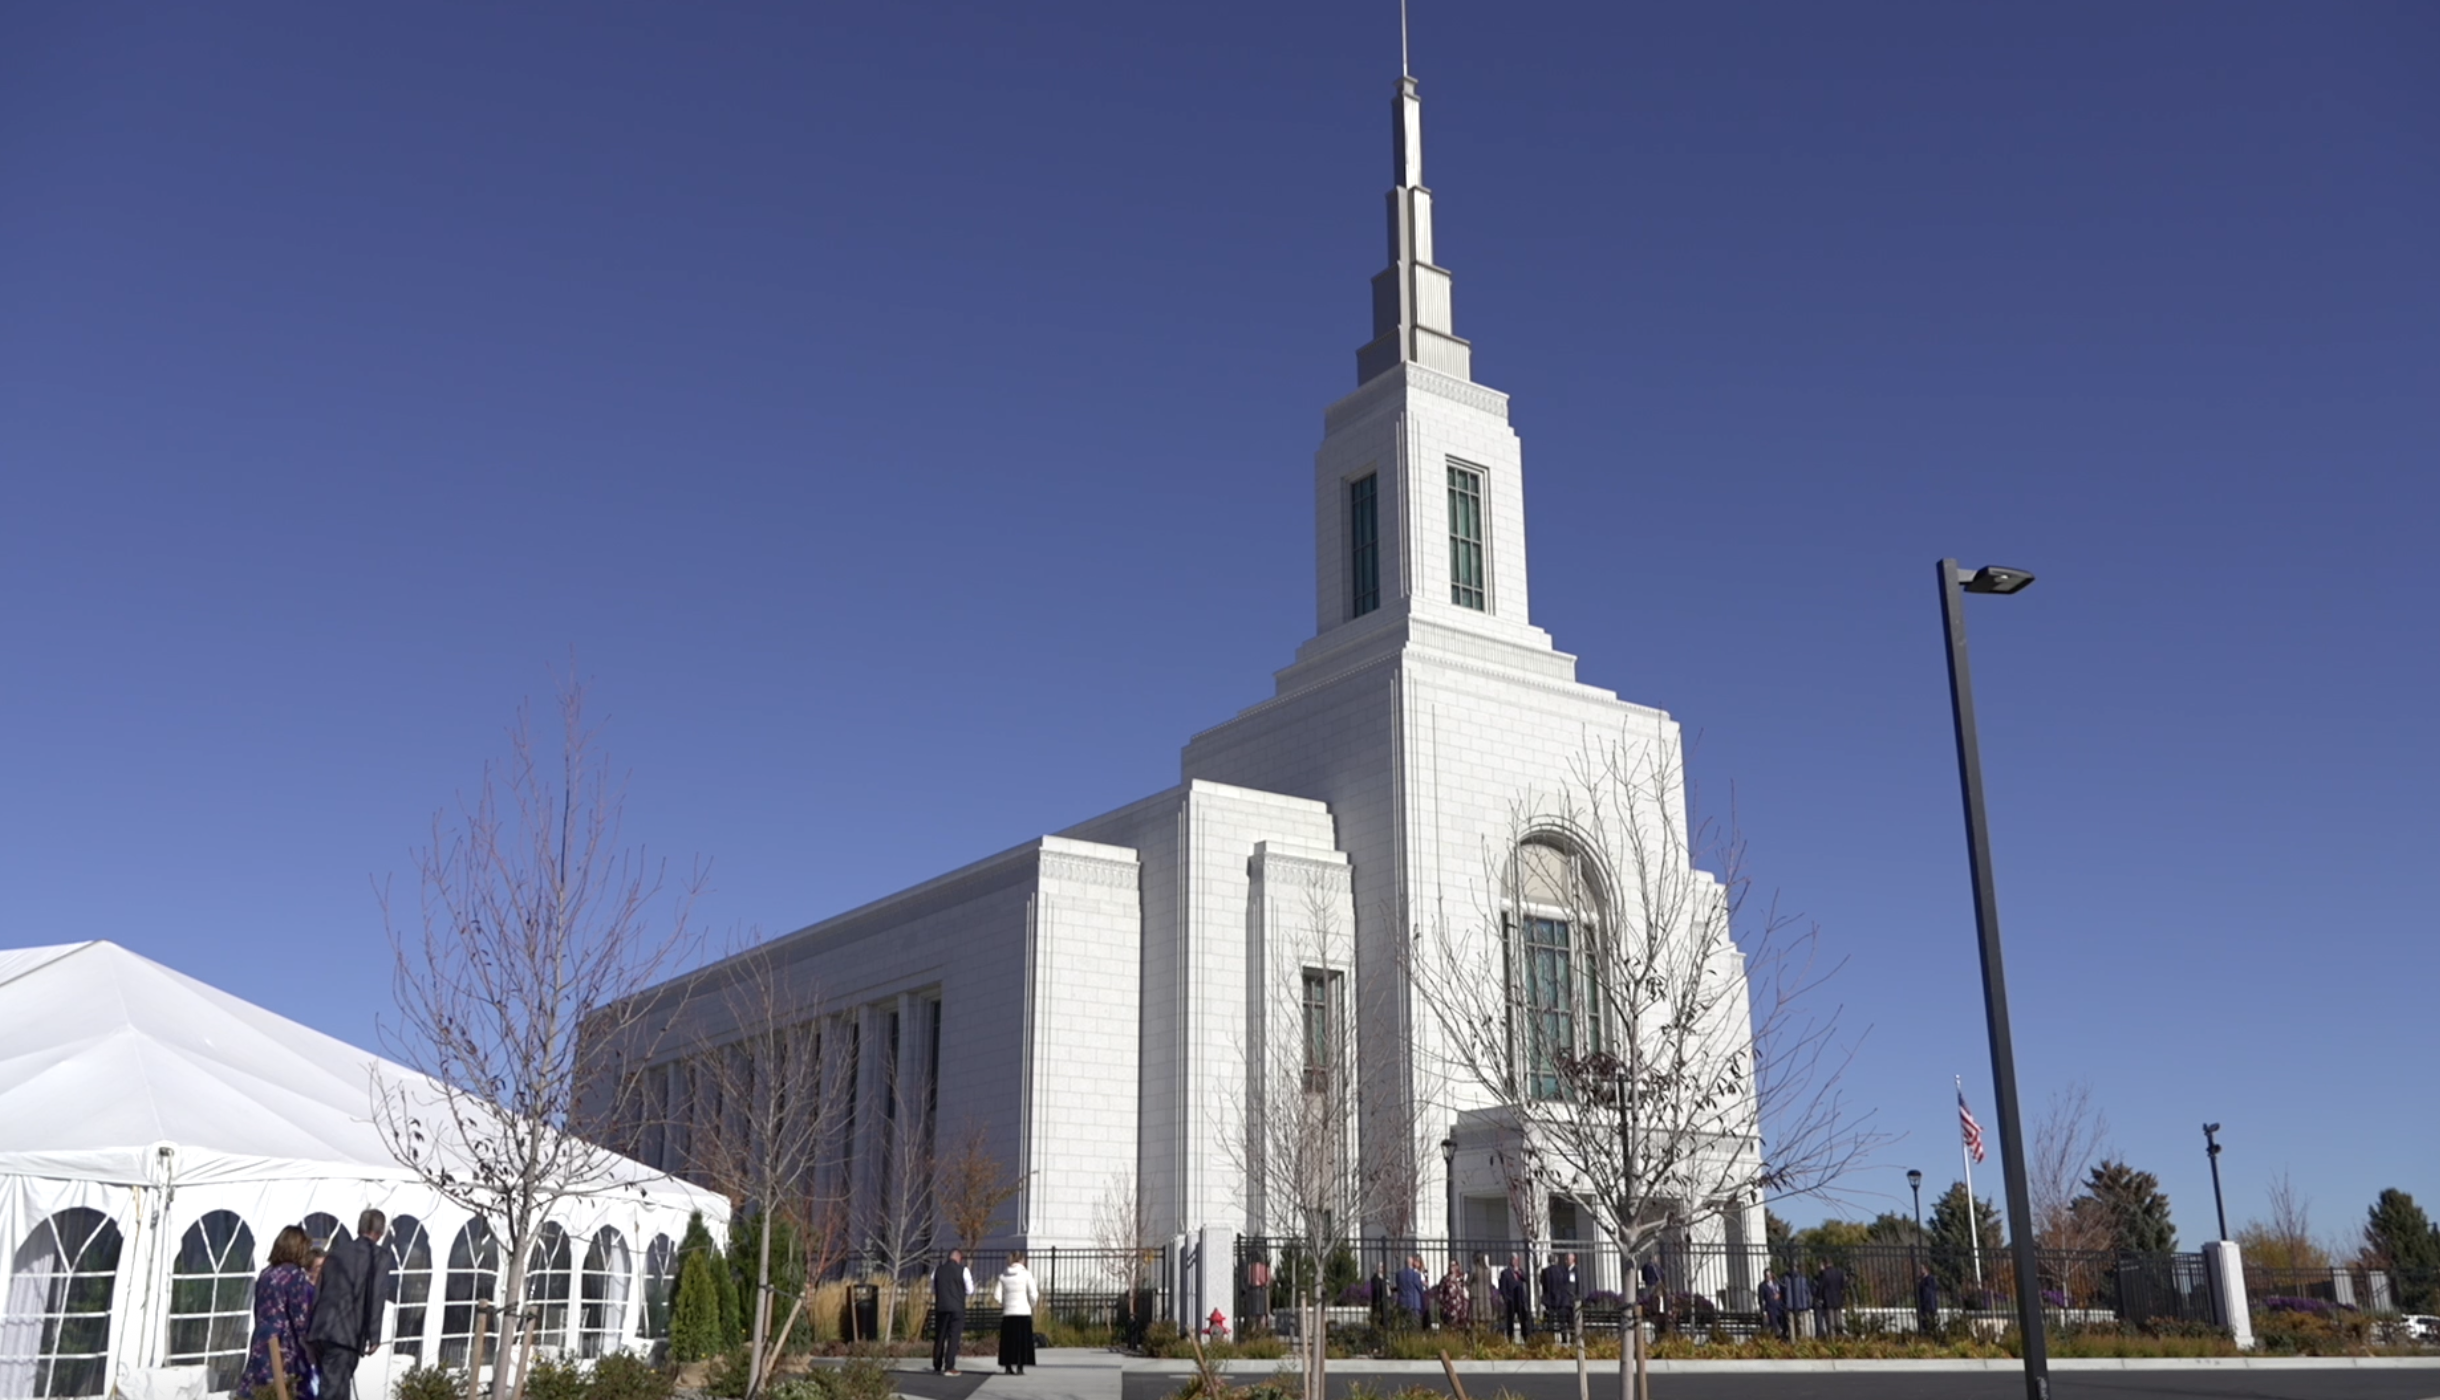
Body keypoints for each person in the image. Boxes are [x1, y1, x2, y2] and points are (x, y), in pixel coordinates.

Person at [305, 1211, 392, 1400]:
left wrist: (313, 1326)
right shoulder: (378, 1257)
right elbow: (376, 1296)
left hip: (322, 1328)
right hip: (345, 1333)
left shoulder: (337, 1253)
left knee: (333, 1386)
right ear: (381, 1231)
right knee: (334, 1391)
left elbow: (320, 1287)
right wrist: (374, 1335)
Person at [239, 1227, 317, 1399]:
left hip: (261, 1338)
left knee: (258, 1390)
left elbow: (258, 1308)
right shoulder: (294, 1275)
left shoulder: (266, 1273)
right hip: (282, 1343)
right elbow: (300, 1318)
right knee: (281, 1390)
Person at [993, 1251, 1038, 1376]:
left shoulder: (1003, 1275)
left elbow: (997, 1295)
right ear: (1022, 1260)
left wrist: (1004, 1304)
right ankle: (1020, 1367)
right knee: (1022, 1342)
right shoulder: (1026, 1275)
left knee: (1008, 1341)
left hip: (1008, 1313)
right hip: (1023, 1312)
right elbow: (1033, 1294)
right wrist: (1031, 1305)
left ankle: (1008, 1366)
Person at [930, 1248, 973, 1375]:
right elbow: (970, 1290)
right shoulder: (963, 1270)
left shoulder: (937, 1270)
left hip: (941, 1307)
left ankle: (937, 1364)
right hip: (957, 1308)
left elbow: (933, 1288)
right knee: (953, 1337)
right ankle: (949, 1366)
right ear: (959, 1258)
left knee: (940, 1336)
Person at [1539, 1251, 1578, 1342]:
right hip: (1561, 1299)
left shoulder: (1545, 1272)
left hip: (1549, 1300)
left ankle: (1551, 1339)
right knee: (1563, 1321)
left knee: (1550, 1321)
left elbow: (1543, 1284)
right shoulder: (1562, 1270)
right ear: (1556, 1260)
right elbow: (1565, 1283)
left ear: (1549, 1261)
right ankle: (1564, 1338)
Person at [1498, 1256, 1531, 1341]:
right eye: (1514, 1260)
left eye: (1517, 1260)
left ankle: (1525, 1338)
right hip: (1511, 1301)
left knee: (1523, 1321)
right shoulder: (1505, 1273)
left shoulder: (1520, 1271)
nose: (1516, 1262)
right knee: (1510, 1322)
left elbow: (1526, 1279)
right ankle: (1510, 1339)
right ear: (1510, 1260)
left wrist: (1519, 1273)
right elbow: (1502, 1287)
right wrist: (1506, 1298)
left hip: (1520, 1300)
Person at [1815, 1258, 1847, 1337]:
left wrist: (1819, 1297)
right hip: (1838, 1300)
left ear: (1825, 1264)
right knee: (1838, 1321)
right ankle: (1840, 1337)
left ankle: (1832, 1340)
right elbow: (1843, 1287)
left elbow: (1821, 1287)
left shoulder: (1825, 1274)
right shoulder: (1839, 1272)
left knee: (1831, 1323)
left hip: (1828, 1301)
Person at [1434, 1261, 1470, 1332]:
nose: (1452, 1267)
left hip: (1462, 1309)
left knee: (1462, 1329)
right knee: (1451, 1328)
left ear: (1457, 1266)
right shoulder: (1445, 1279)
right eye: (1451, 1265)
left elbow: (1467, 1290)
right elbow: (1440, 1293)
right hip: (1450, 1308)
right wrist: (1443, 1306)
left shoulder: (1462, 1278)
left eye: (1454, 1265)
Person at [1394, 1255, 1427, 1327]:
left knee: (1404, 1325)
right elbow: (1420, 1289)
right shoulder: (1415, 1275)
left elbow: (1398, 1287)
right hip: (1414, 1303)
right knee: (1414, 1325)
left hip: (1402, 1303)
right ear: (1412, 1263)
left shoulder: (1398, 1274)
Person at [1468, 1255, 1497, 1337]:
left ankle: (1476, 1339)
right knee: (1486, 1319)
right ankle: (1486, 1337)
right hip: (1486, 1297)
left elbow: (1468, 1282)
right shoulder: (1488, 1270)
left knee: (1475, 1320)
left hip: (1476, 1297)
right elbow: (1490, 1283)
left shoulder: (1474, 1268)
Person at [1781, 1265, 1812, 1339]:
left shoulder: (1785, 1279)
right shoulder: (1803, 1279)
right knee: (1803, 1327)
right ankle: (1803, 1345)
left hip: (1789, 1306)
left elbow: (1782, 1293)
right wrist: (1809, 1304)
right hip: (1802, 1306)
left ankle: (1793, 1345)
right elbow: (1808, 1293)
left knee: (1791, 1328)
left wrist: (1784, 1304)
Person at [1244, 1256, 1272, 1335]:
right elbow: (1267, 1280)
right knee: (1261, 1314)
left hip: (1252, 1291)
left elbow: (1247, 1279)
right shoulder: (1264, 1268)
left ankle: (1252, 1331)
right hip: (1261, 1291)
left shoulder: (1250, 1267)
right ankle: (1261, 1331)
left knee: (1252, 1315)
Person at [1756, 1273, 1785, 1341]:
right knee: (1774, 1325)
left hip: (1779, 1307)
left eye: (1769, 1275)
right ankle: (1776, 1338)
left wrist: (1779, 1295)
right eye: (1766, 1275)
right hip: (1770, 1308)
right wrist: (1763, 1311)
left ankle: (1782, 1336)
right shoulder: (1762, 1286)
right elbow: (1761, 1299)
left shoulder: (1776, 1283)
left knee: (1782, 1323)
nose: (1768, 1277)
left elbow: (1782, 1291)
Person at [1915, 1265, 1940, 1337]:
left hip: (1929, 1304)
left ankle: (1930, 1335)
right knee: (1923, 1322)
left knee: (1929, 1322)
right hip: (1922, 1305)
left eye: (1922, 1268)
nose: (1920, 1270)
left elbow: (1931, 1292)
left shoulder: (1930, 1279)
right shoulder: (1920, 1280)